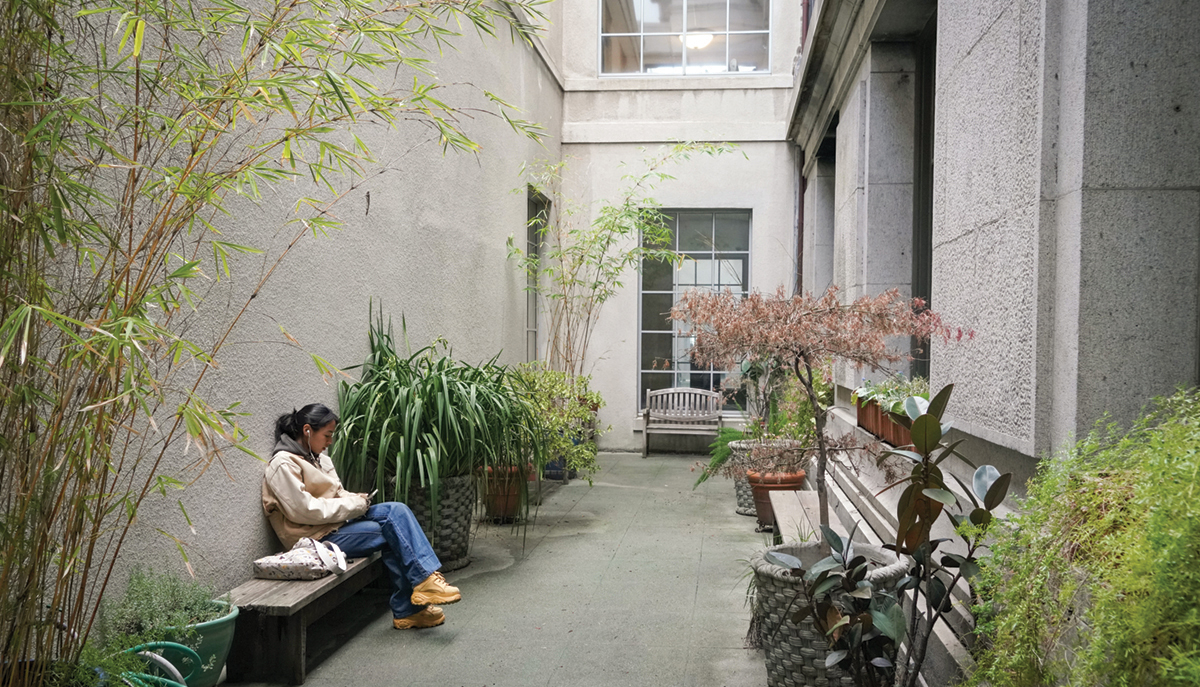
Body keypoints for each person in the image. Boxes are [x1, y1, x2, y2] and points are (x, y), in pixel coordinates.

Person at [261, 403, 462, 629]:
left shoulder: (319, 458)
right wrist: (354, 505)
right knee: (392, 532)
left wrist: (356, 498)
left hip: (338, 525)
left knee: (397, 510)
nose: (329, 442)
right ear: (307, 431)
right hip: (315, 539)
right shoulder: (283, 464)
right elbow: (304, 510)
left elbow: (337, 493)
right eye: (327, 436)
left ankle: (424, 585)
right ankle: (412, 605)